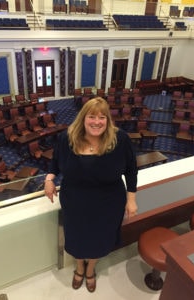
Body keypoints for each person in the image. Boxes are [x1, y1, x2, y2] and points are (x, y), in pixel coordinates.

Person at [44, 97, 138, 293]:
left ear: (108, 120)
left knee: (100, 238)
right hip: (75, 202)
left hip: (108, 203)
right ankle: (79, 267)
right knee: (77, 237)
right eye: (92, 116)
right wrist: (49, 179)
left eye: (102, 117)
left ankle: (91, 269)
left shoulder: (120, 139)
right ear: (83, 118)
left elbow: (131, 169)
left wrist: (131, 199)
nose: (97, 121)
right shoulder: (66, 138)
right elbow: (55, 162)